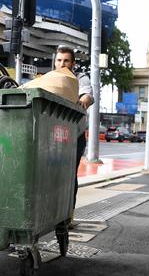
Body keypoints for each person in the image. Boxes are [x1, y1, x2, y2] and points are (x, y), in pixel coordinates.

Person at [54, 46, 93, 226]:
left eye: (66, 60)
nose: (62, 64)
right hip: (52, 136)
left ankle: (68, 215)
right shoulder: (50, 78)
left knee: (69, 175)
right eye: (59, 60)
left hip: (74, 137)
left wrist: (84, 99)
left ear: (73, 63)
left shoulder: (80, 78)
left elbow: (88, 95)